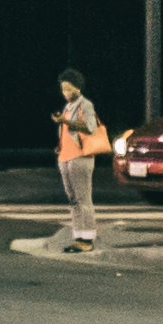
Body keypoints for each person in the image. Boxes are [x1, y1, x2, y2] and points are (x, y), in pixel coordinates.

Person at [51, 71, 109, 247]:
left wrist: (65, 121)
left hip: (80, 157)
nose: (66, 93)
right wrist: (61, 145)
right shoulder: (67, 107)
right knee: (73, 199)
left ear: (78, 87)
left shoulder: (85, 105)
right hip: (65, 157)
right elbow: (67, 133)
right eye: (63, 89)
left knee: (83, 199)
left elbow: (91, 128)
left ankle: (88, 238)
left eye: (69, 89)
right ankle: (78, 236)